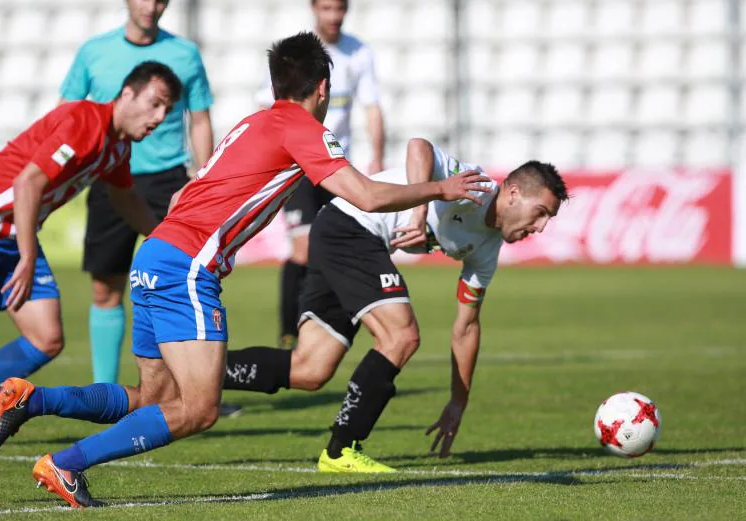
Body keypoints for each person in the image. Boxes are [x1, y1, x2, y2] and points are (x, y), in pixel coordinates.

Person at [0, 32, 486, 508]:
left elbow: (186, 192)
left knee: (153, 398)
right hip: (186, 265)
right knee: (199, 408)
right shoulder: (302, 128)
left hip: (155, 255)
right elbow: (369, 195)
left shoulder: (253, 122)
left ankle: (31, 398)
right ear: (324, 87)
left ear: (275, 83)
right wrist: (441, 189)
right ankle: (66, 463)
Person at [222, 138, 569, 472]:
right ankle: (342, 449)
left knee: (309, 369)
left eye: (547, 220)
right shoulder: (474, 186)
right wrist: (418, 215)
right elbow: (419, 146)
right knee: (401, 336)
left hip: (339, 233)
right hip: (352, 227)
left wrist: (458, 402)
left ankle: (199, 372)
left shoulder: (487, 250)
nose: (540, 227)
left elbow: (466, 327)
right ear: (513, 193)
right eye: (540, 213)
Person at [0, 61, 181, 449]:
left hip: (13, 238)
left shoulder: (117, 147)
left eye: (167, 111)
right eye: (155, 104)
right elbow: (28, 183)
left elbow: (125, 199)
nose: (159, 117)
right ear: (127, 94)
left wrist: (168, 241)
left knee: (46, 338)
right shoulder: (85, 121)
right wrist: (26, 255)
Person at [61, 0, 216, 387]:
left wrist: (204, 179)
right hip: (110, 175)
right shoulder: (94, 52)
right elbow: (68, 113)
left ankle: (191, 388)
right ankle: (105, 392)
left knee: (183, 284)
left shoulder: (185, 53)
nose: (153, 6)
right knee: (106, 287)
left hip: (169, 182)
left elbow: (199, 119)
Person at [256, 0, 385, 349]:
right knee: (302, 249)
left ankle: (322, 326)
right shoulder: (297, 54)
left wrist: (376, 158)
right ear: (313, 9)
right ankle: (288, 332)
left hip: (334, 164)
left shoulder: (358, 52)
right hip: (297, 165)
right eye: (326, 8)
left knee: (334, 245)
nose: (334, 16)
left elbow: (372, 107)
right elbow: (268, 106)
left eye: (339, 9)